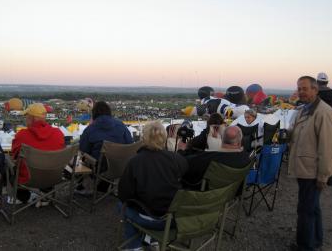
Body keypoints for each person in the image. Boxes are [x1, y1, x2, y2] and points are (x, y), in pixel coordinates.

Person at [118, 121, 188, 251]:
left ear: (144, 139)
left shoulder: (135, 162)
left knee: (121, 205)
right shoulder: (176, 159)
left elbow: (123, 195)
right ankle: (150, 239)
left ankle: (135, 246)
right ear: (164, 138)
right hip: (172, 218)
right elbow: (184, 172)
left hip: (150, 219)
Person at [288, 76, 332, 251]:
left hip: (313, 171)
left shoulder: (324, 112)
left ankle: (304, 246)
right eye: (299, 88)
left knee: (305, 210)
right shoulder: (305, 109)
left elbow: (329, 147)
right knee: (313, 207)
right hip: (304, 168)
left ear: (315, 90)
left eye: (305, 88)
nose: (301, 92)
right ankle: (315, 240)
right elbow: (298, 133)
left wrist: (324, 175)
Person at [11, 103, 64, 203]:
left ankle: (23, 197)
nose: (25, 119)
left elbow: (14, 156)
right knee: (47, 163)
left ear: (32, 118)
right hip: (52, 177)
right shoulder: (58, 133)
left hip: (28, 179)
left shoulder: (22, 135)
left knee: (9, 165)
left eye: (26, 116)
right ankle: (46, 195)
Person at [78, 101, 133, 194]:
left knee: (84, 158)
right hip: (121, 167)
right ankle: (106, 185)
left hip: (100, 169)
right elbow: (130, 144)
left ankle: (87, 185)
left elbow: (83, 150)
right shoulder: (121, 125)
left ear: (94, 114)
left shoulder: (90, 129)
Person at [182, 126, 251, 187]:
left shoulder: (208, 158)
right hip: (231, 192)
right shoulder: (246, 158)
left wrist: (181, 150)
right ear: (240, 141)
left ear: (222, 139)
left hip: (204, 195)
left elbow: (183, 164)